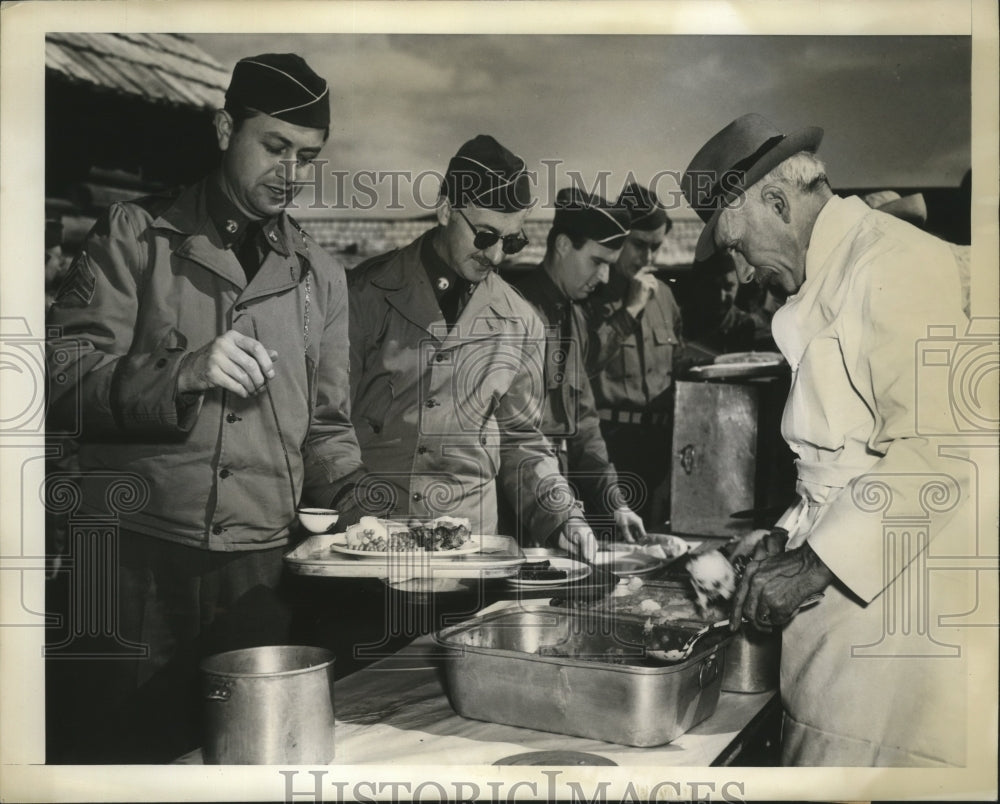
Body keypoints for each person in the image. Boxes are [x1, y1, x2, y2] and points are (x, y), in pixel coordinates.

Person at [45, 53, 367, 761]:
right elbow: (59, 383)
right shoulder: (135, 234)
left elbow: (328, 429)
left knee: (245, 765)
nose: (291, 172)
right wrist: (184, 370)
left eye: (308, 156)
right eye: (275, 146)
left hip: (258, 582)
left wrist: (362, 506)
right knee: (112, 760)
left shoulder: (321, 276)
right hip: (131, 567)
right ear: (225, 129)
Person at [682, 112, 971, 766]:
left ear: (778, 203)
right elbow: (844, 467)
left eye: (736, 245)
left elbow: (943, 450)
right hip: (846, 648)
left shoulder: (892, 265)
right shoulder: (834, 279)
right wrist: (790, 536)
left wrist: (813, 566)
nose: (744, 272)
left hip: (894, 659)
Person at [346, 135, 598, 560]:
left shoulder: (520, 321)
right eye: (485, 236)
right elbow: (325, 425)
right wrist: (352, 521)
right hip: (371, 549)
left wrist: (562, 515)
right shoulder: (365, 295)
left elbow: (522, 440)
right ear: (446, 209)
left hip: (467, 560)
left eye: (512, 241)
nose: (497, 255)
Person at [507, 188, 646, 543]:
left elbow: (583, 421)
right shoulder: (513, 312)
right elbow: (511, 438)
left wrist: (615, 502)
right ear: (564, 245)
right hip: (513, 506)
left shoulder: (574, 316)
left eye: (609, 266)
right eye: (597, 261)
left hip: (555, 501)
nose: (603, 278)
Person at [583, 182, 684, 527]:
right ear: (618, 239)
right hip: (607, 448)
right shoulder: (590, 295)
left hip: (659, 448)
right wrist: (629, 310)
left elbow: (677, 368)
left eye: (656, 247)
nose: (649, 258)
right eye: (639, 245)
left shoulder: (666, 298)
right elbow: (582, 365)